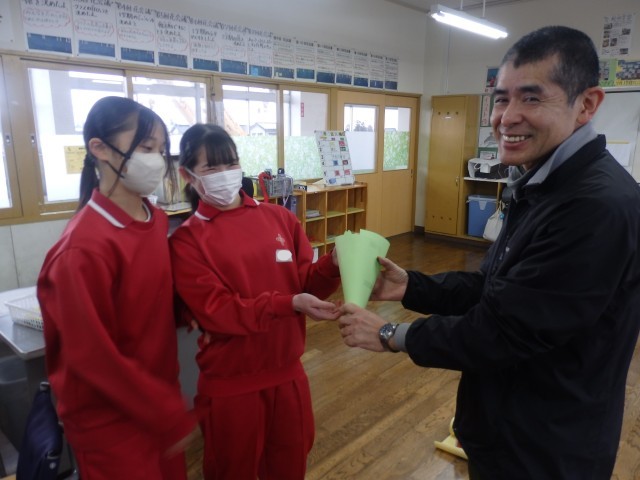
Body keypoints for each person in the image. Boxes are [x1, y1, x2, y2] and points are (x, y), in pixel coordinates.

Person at [337, 26, 640, 479]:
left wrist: (389, 334)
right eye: (501, 99)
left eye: (532, 98)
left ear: (587, 104)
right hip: (505, 430)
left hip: (546, 450)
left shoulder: (594, 206)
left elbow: (503, 332)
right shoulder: (541, 184)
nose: (507, 117)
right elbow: (495, 289)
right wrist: (411, 287)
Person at [37, 96, 198, 480]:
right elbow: (91, 355)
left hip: (158, 399)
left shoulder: (153, 218)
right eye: (145, 148)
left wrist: (184, 309)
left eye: (160, 150)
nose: (156, 160)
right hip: (110, 422)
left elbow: (147, 295)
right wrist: (166, 412)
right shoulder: (82, 248)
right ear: (99, 148)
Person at [168, 123, 341, 480]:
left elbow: (305, 283)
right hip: (231, 385)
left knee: (290, 466)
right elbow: (218, 312)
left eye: (231, 163)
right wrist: (288, 304)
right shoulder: (187, 241)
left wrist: (334, 265)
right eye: (211, 167)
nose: (225, 173)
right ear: (188, 175)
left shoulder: (279, 218)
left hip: (288, 373)